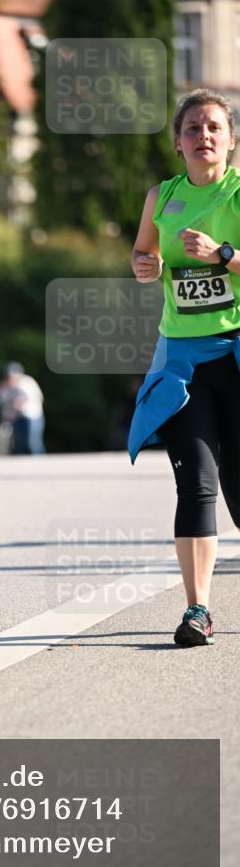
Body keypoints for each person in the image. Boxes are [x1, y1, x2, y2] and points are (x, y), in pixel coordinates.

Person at [129, 88, 240, 648]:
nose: (204, 136)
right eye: (193, 128)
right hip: (182, 362)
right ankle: (197, 609)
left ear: (231, 140)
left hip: (237, 355)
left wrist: (223, 256)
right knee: (196, 485)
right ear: (178, 142)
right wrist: (146, 267)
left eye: (214, 127)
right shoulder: (162, 197)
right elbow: (143, 255)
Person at [0, 363, 45, 455]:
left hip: (32, 416)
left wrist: (21, 403)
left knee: (33, 443)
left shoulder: (27, 383)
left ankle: (40, 464)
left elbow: (37, 398)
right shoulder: (4, 386)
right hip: (16, 418)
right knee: (19, 444)